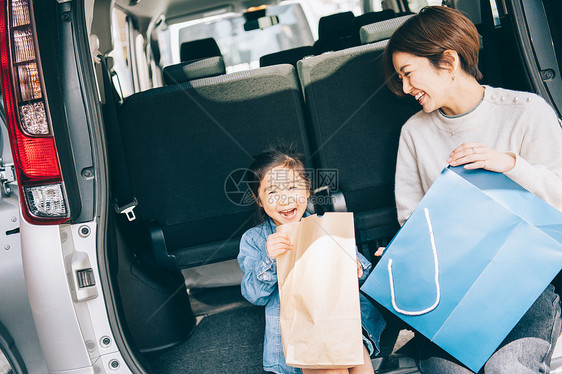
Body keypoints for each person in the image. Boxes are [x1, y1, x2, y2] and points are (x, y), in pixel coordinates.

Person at [379, 5, 562, 373]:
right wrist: (405, 252)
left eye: (408, 74)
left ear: (447, 61)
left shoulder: (527, 112)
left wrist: (510, 165)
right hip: (451, 296)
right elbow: (411, 219)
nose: (405, 88)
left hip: (525, 288)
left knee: (505, 369)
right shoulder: (414, 132)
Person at [237, 145, 385, 374]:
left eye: (292, 187)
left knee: (358, 360)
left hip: (342, 325)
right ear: (259, 200)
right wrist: (270, 259)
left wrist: (353, 267)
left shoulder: (326, 227)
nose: (285, 199)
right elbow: (254, 295)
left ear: (307, 190)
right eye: (273, 192)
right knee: (326, 366)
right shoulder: (255, 240)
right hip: (299, 335)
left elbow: (362, 272)